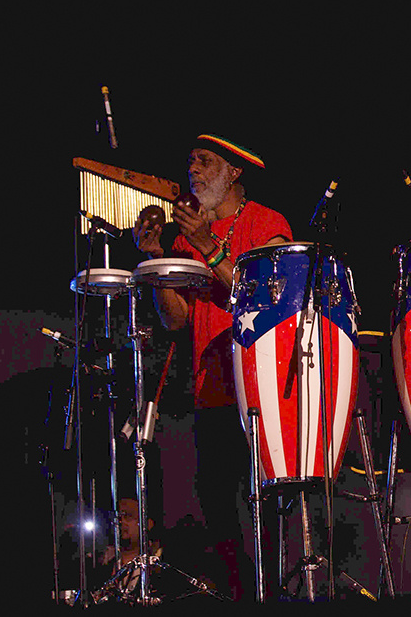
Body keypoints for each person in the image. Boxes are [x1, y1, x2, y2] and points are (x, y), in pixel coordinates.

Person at [134, 133, 292, 598]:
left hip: (262, 390)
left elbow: (266, 298)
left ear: (235, 171)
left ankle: (274, 592)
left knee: (263, 507)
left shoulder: (267, 223)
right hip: (211, 391)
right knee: (218, 510)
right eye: (190, 162)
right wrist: (158, 258)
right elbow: (175, 319)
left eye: (205, 161)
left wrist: (209, 246)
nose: (194, 171)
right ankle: (239, 594)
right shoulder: (185, 239)